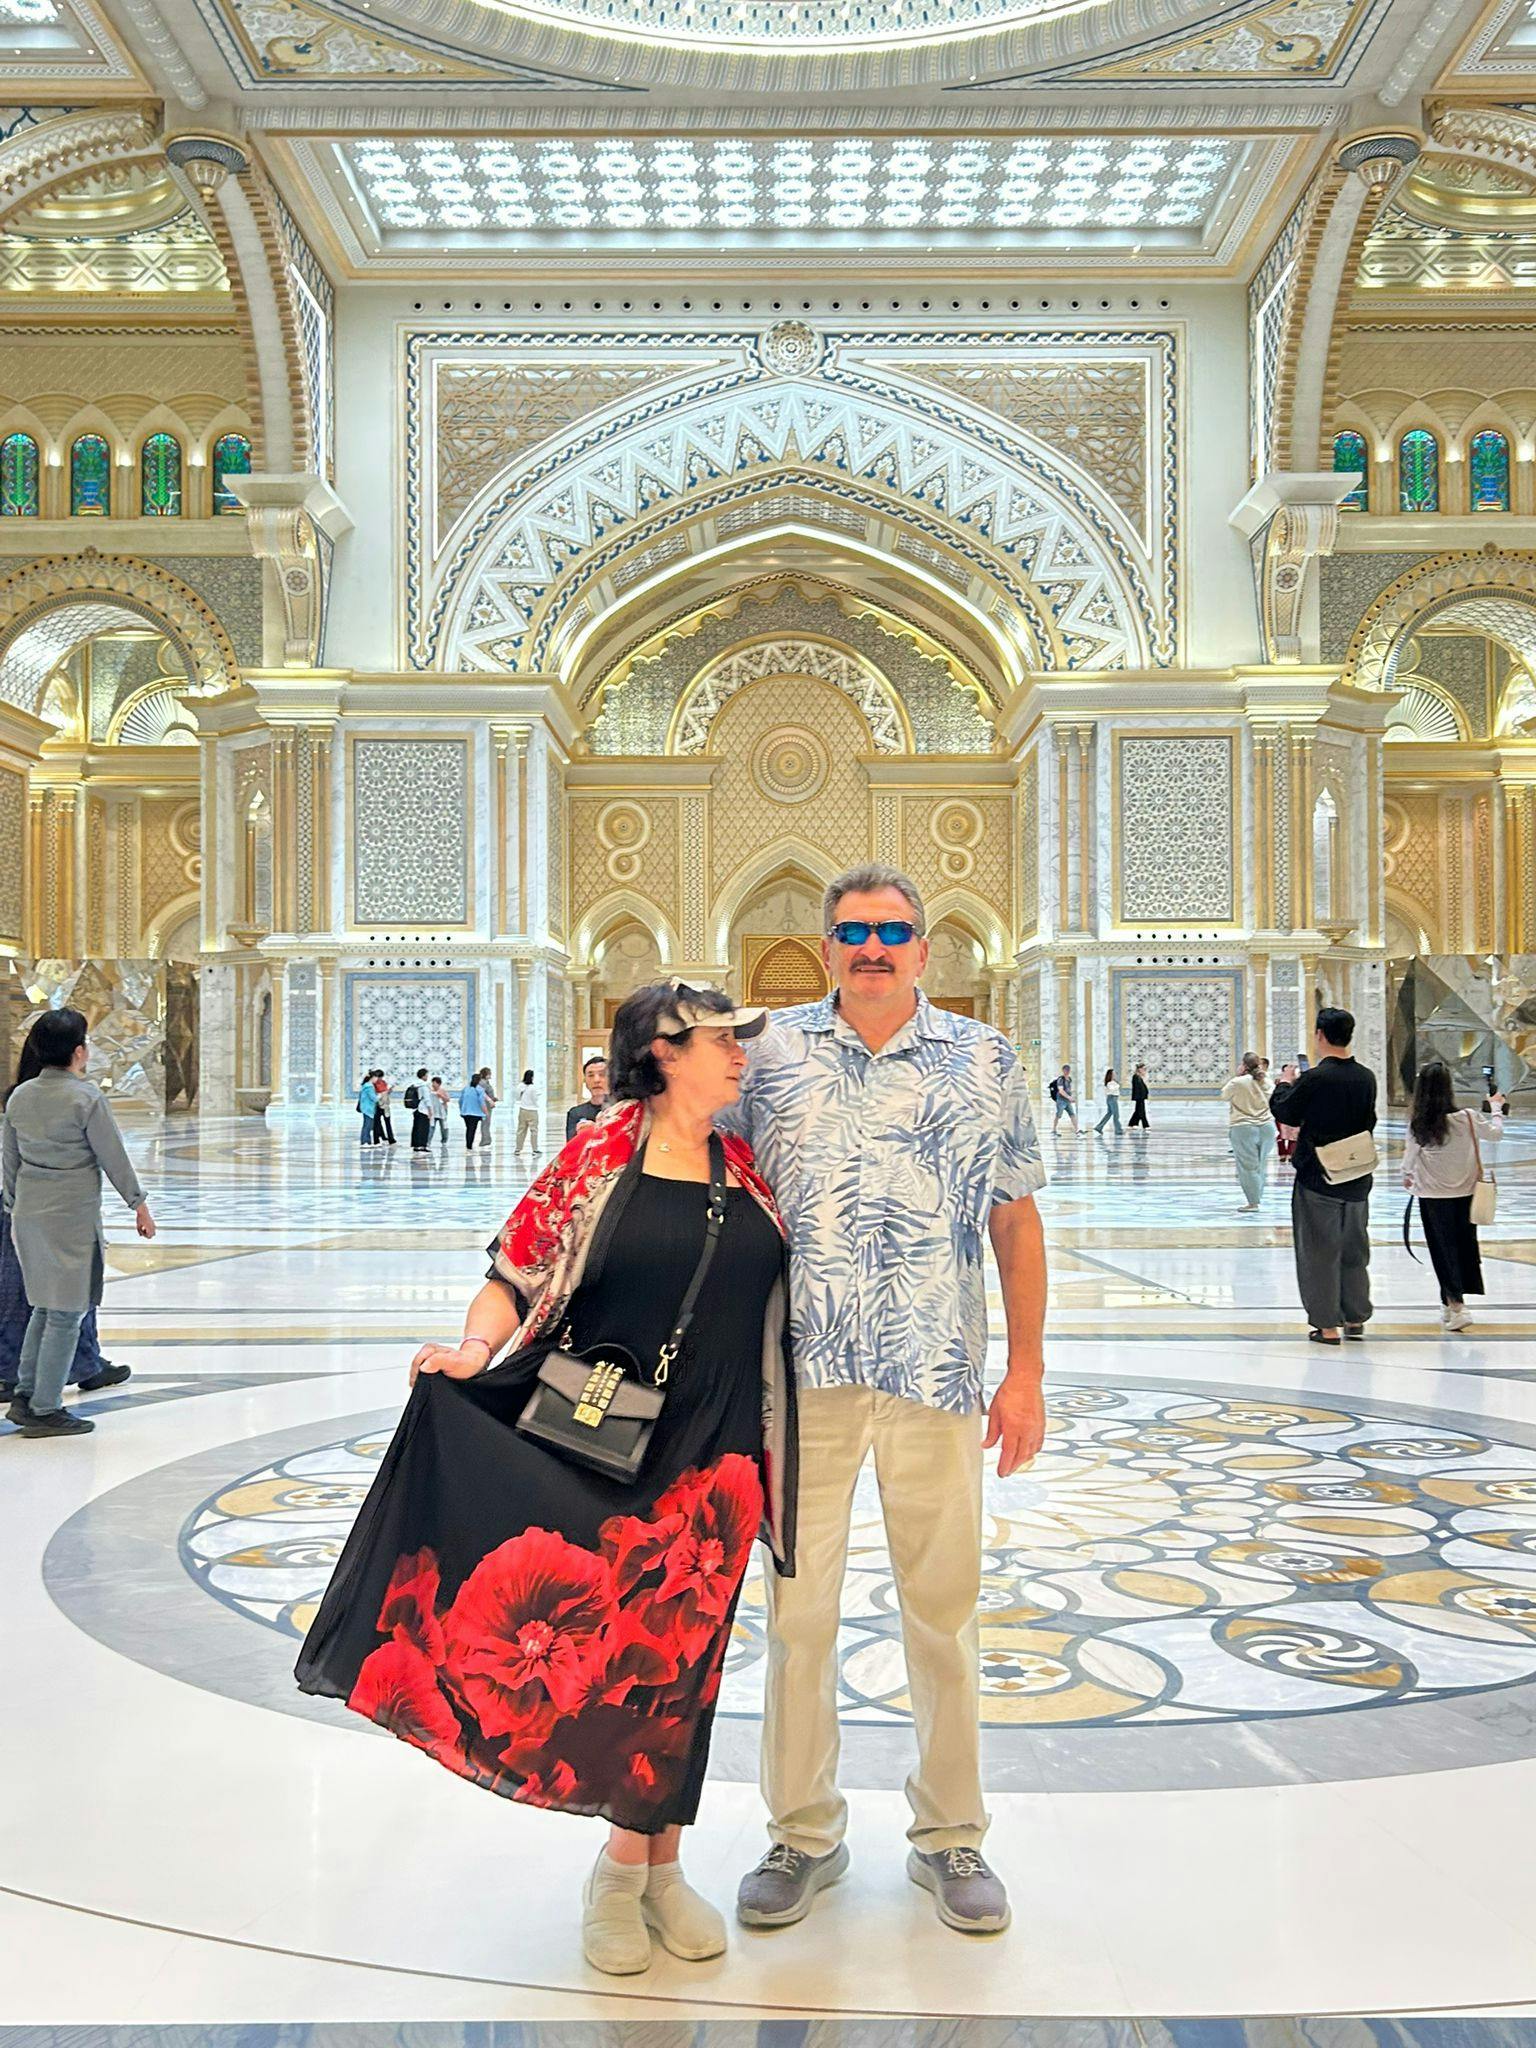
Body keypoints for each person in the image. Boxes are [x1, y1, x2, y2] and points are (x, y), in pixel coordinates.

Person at [297, 981, 796, 1979]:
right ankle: (619, 1870)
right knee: (620, 1657)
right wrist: (476, 1349)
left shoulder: (745, 1163)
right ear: (661, 1050)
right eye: (721, 1039)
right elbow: (514, 1269)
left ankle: (661, 1866)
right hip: (607, 1436)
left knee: (686, 1668)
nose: (741, 1053)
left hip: (722, 1452)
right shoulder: (597, 1157)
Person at [726, 864, 1047, 1938]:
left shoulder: (984, 1058)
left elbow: (1014, 1218)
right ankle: (800, 1831)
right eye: (853, 931)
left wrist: (1028, 1370)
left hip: (938, 1371)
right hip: (803, 1377)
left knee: (944, 1613)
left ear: (926, 947)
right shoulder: (765, 1056)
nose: (873, 947)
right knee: (798, 1614)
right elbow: (682, 1160)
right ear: (827, 947)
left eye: (893, 932)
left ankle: (952, 1833)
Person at [1, 1008, 155, 1438]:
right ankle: (45, 1408)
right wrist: (138, 1204)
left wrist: (15, 1209)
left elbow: (8, 1162)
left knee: (43, 1308)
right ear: (79, 1051)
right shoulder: (85, 1098)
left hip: (29, 1214)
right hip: (70, 1217)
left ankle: (27, 1395)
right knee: (67, 1312)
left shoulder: (20, 1097)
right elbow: (113, 1157)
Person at [1269, 1007, 1377, 1345]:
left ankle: (1327, 1325)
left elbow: (1286, 1110)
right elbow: (1369, 1121)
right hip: (1357, 1175)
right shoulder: (1365, 1077)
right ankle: (1355, 1316)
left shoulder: (1316, 1078)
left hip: (1320, 1176)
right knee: (1354, 1248)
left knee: (1319, 1251)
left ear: (1320, 1035)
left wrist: (1284, 1085)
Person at [1402, 1061, 1501, 1333]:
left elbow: (1408, 1162)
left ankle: (1457, 1306)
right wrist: (1495, 1109)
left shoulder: (1420, 1123)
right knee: (1463, 1246)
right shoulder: (1467, 1117)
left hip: (1433, 1196)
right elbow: (1496, 1134)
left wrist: (1407, 1177)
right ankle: (1448, 1303)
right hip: (1466, 1193)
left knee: (1442, 1249)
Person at [1221, 1051, 1274, 1213]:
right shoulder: (1267, 1082)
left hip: (1243, 1127)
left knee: (1247, 1166)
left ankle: (1253, 1202)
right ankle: (1257, 1196)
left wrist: (1238, 1076)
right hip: (1267, 1127)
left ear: (1244, 1065)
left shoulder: (1238, 1082)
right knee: (1261, 1164)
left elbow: (1224, 1095)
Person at [567, 1055, 611, 1142]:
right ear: (585, 1080)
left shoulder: (622, 1109)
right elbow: (571, 1146)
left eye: (602, 1075)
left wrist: (595, 1130)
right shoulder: (576, 1113)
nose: (596, 1080)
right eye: (591, 1076)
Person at [514, 1069, 540, 1160]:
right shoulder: (533, 1087)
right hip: (532, 1110)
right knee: (534, 1131)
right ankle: (535, 1149)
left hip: (522, 1110)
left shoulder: (520, 1086)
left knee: (521, 1130)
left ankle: (518, 1149)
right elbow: (535, 1098)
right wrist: (536, 1105)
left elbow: (517, 1097)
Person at [457, 1071, 485, 1150]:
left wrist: (462, 1110)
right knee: (472, 1129)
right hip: (475, 1113)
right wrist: (485, 1113)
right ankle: (469, 1145)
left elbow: (460, 1101)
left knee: (468, 1128)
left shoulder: (466, 1088)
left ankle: (468, 1144)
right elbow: (481, 1102)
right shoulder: (480, 1089)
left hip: (466, 1113)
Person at [1049, 1062, 1078, 1134]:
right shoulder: (1060, 1079)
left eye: (1068, 1070)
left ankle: (1077, 1129)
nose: (1067, 1071)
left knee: (1072, 1114)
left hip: (1067, 1100)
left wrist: (1070, 1097)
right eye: (1066, 1070)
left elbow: (1068, 1089)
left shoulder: (1069, 1079)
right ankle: (1054, 1129)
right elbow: (1061, 1090)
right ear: (1063, 1070)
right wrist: (1069, 1097)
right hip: (1061, 1100)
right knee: (1059, 1114)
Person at [407, 1068, 432, 1152]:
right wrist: (430, 1111)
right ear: (424, 1075)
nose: (427, 1077)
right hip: (423, 1109)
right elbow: (427, 1099)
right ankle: (422, 1145)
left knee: (416, 1127)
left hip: (416, 1109)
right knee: (424, 1128)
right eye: (426, 1075)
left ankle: (416, 1145)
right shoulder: (424, 1086)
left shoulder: (414, 1084)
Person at [1093, 1068, 1121, 1136]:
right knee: (1116, 1115)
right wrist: (1117, 1086)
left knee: (1109, 1114)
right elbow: (1112, 1090)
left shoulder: (1113, 1082)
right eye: (1113, 1073)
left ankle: (1099, 1127)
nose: (1115, 1075)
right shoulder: (1110, 1083)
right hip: (1112, 1098)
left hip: (1112, 1098)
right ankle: (1118, 1130)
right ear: (1110, 1075)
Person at [374, 1071, 397, 1146]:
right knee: (377, 1123)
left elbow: (386, 1092)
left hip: (385, 1105)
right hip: (378, 1105)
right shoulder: (374, 1084)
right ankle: (377, 1139)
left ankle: (391, 1138)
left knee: (388, 1122)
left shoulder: (383, 1082)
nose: (380, 1079)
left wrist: (389, 1090)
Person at [358, 1070, 379, 1146]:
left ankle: (367, 1141)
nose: (376, 1079)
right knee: (367, 1126)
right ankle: (365, 1141)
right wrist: (379, 1096)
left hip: (365, 1108)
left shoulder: (365, 1086)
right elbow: (374, 1098)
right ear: (372, 1078)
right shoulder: (369, 1087)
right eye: (376, 1077)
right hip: (368, 1109)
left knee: (367, 1125)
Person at [478, 1069, 498, 1149]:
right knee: (485, 1123)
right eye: (489, 1074)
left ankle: (487, 1139)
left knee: (487, 1123)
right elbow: (483, 1094)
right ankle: (485, 1140)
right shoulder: (482, 1083)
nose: (490, 1075)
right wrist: (490, 1100)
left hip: (488, 1104)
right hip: (485, 1105)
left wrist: (493, 1098)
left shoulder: (486, 1082)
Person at [429, 1074, 451, 1145]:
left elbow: (448, 1099)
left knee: (443, 1126)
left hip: (442, 1111)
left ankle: (444, 1140)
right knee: (431, 1126)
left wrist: (441, 1096)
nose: (433, 1084)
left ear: (438, 1084)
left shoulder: (442, 1091)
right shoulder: (430, 1092)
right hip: (433, 1111)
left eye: (434, 1083)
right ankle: (428, 1141)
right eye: (432, 1083)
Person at [1128, 1063, 1150, 1130]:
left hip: (1141, 1097)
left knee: (1138, 1111)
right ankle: (1145, 1125)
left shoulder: (1140, 1077)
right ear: (1139, 1069)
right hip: (1139, 1097)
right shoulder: (1135, 1077)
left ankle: (1133, 1123)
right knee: (1141, 1111)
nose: (1144, 1070)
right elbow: (1137, 1088)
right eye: (1143, 1069)